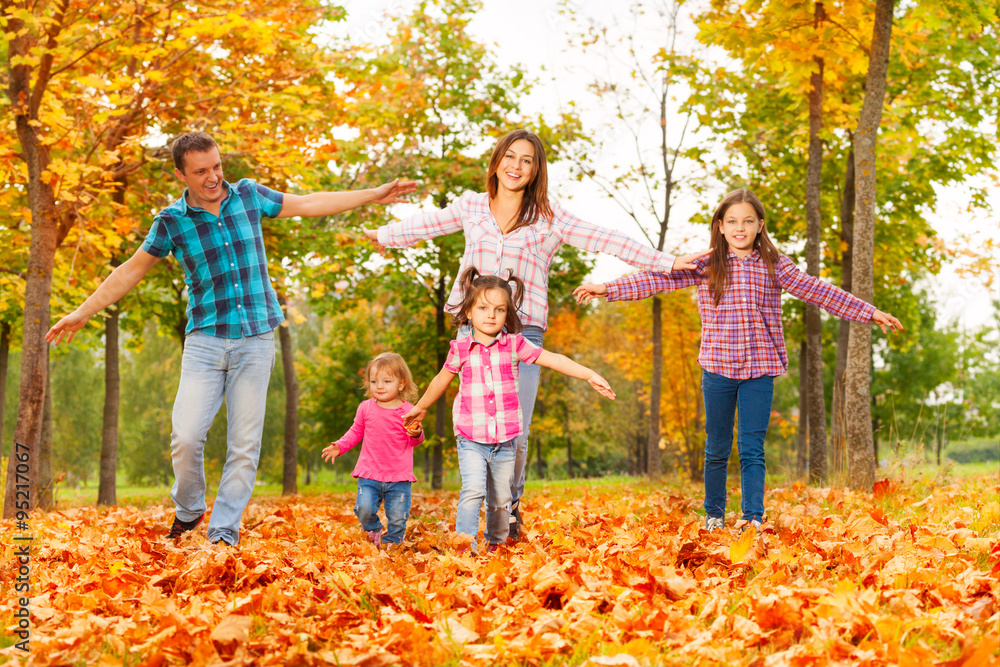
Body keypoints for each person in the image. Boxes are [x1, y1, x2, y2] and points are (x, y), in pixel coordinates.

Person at [45, 131, 417, 546]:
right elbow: (130, 270)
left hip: (256, 340)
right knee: (185, 437)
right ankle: (189, 509)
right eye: (201, 171)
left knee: (244, 444)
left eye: (217, 166)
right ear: (181, 174)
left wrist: (372, 194)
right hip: (205, 341)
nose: (213, 178)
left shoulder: (248, 195)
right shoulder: (172, 222)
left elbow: (310, 203)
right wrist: (81, 313)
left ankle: (223, 532)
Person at [366, 128, 707, 541]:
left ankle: (509, 508)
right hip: (473, 330)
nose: (516, 166)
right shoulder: (472, 207)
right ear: (496, 162)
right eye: (510, 156)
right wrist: (382, 236)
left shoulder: (550, 218)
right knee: (476, 421)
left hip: (523, 330)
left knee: (516, 430)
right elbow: (426, 225)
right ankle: (478, 504)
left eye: (526, 160)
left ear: (536, 170)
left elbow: (606, 238)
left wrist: (666, 261)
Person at [574, 188, 903, 533]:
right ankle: (714, 514)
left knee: (751, 448)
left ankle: (752, 517)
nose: (740, 228)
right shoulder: (705, 265)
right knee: (717, 446)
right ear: (720, 225)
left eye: (747, 221)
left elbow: (817, 289)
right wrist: (608, 288)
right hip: (717, 369)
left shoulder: (776, 266)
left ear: (760, 225)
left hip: (759, 370)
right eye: (732, 221)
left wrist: (870, 312)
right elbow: (657, 279)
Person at [403, 268, 616, 553]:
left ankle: (496, 545)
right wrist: (421, 407)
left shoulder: (515, 345)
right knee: (473, 492)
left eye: (499, 309)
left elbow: (552, 359)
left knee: (502, 499)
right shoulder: (461, 348)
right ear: (468, 312)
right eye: (482, 308)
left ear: (507, 314)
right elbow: (442, 379)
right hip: (471, 438)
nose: (490, 315)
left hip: (505, 440)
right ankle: (466, 546)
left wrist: (588, 374)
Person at [321, 353, 424, 547]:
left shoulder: (408, 411)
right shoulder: (365, 408)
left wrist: (417, 433)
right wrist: (340, 446)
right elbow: (355, 432)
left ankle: (393, 542)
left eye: (387, 381)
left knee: (398, 516)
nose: (380, 386)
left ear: (401, 384)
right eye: (374, 381)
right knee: (363, 508)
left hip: (399, 476)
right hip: (370, 473)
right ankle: (373, 529)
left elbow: (415, 441)